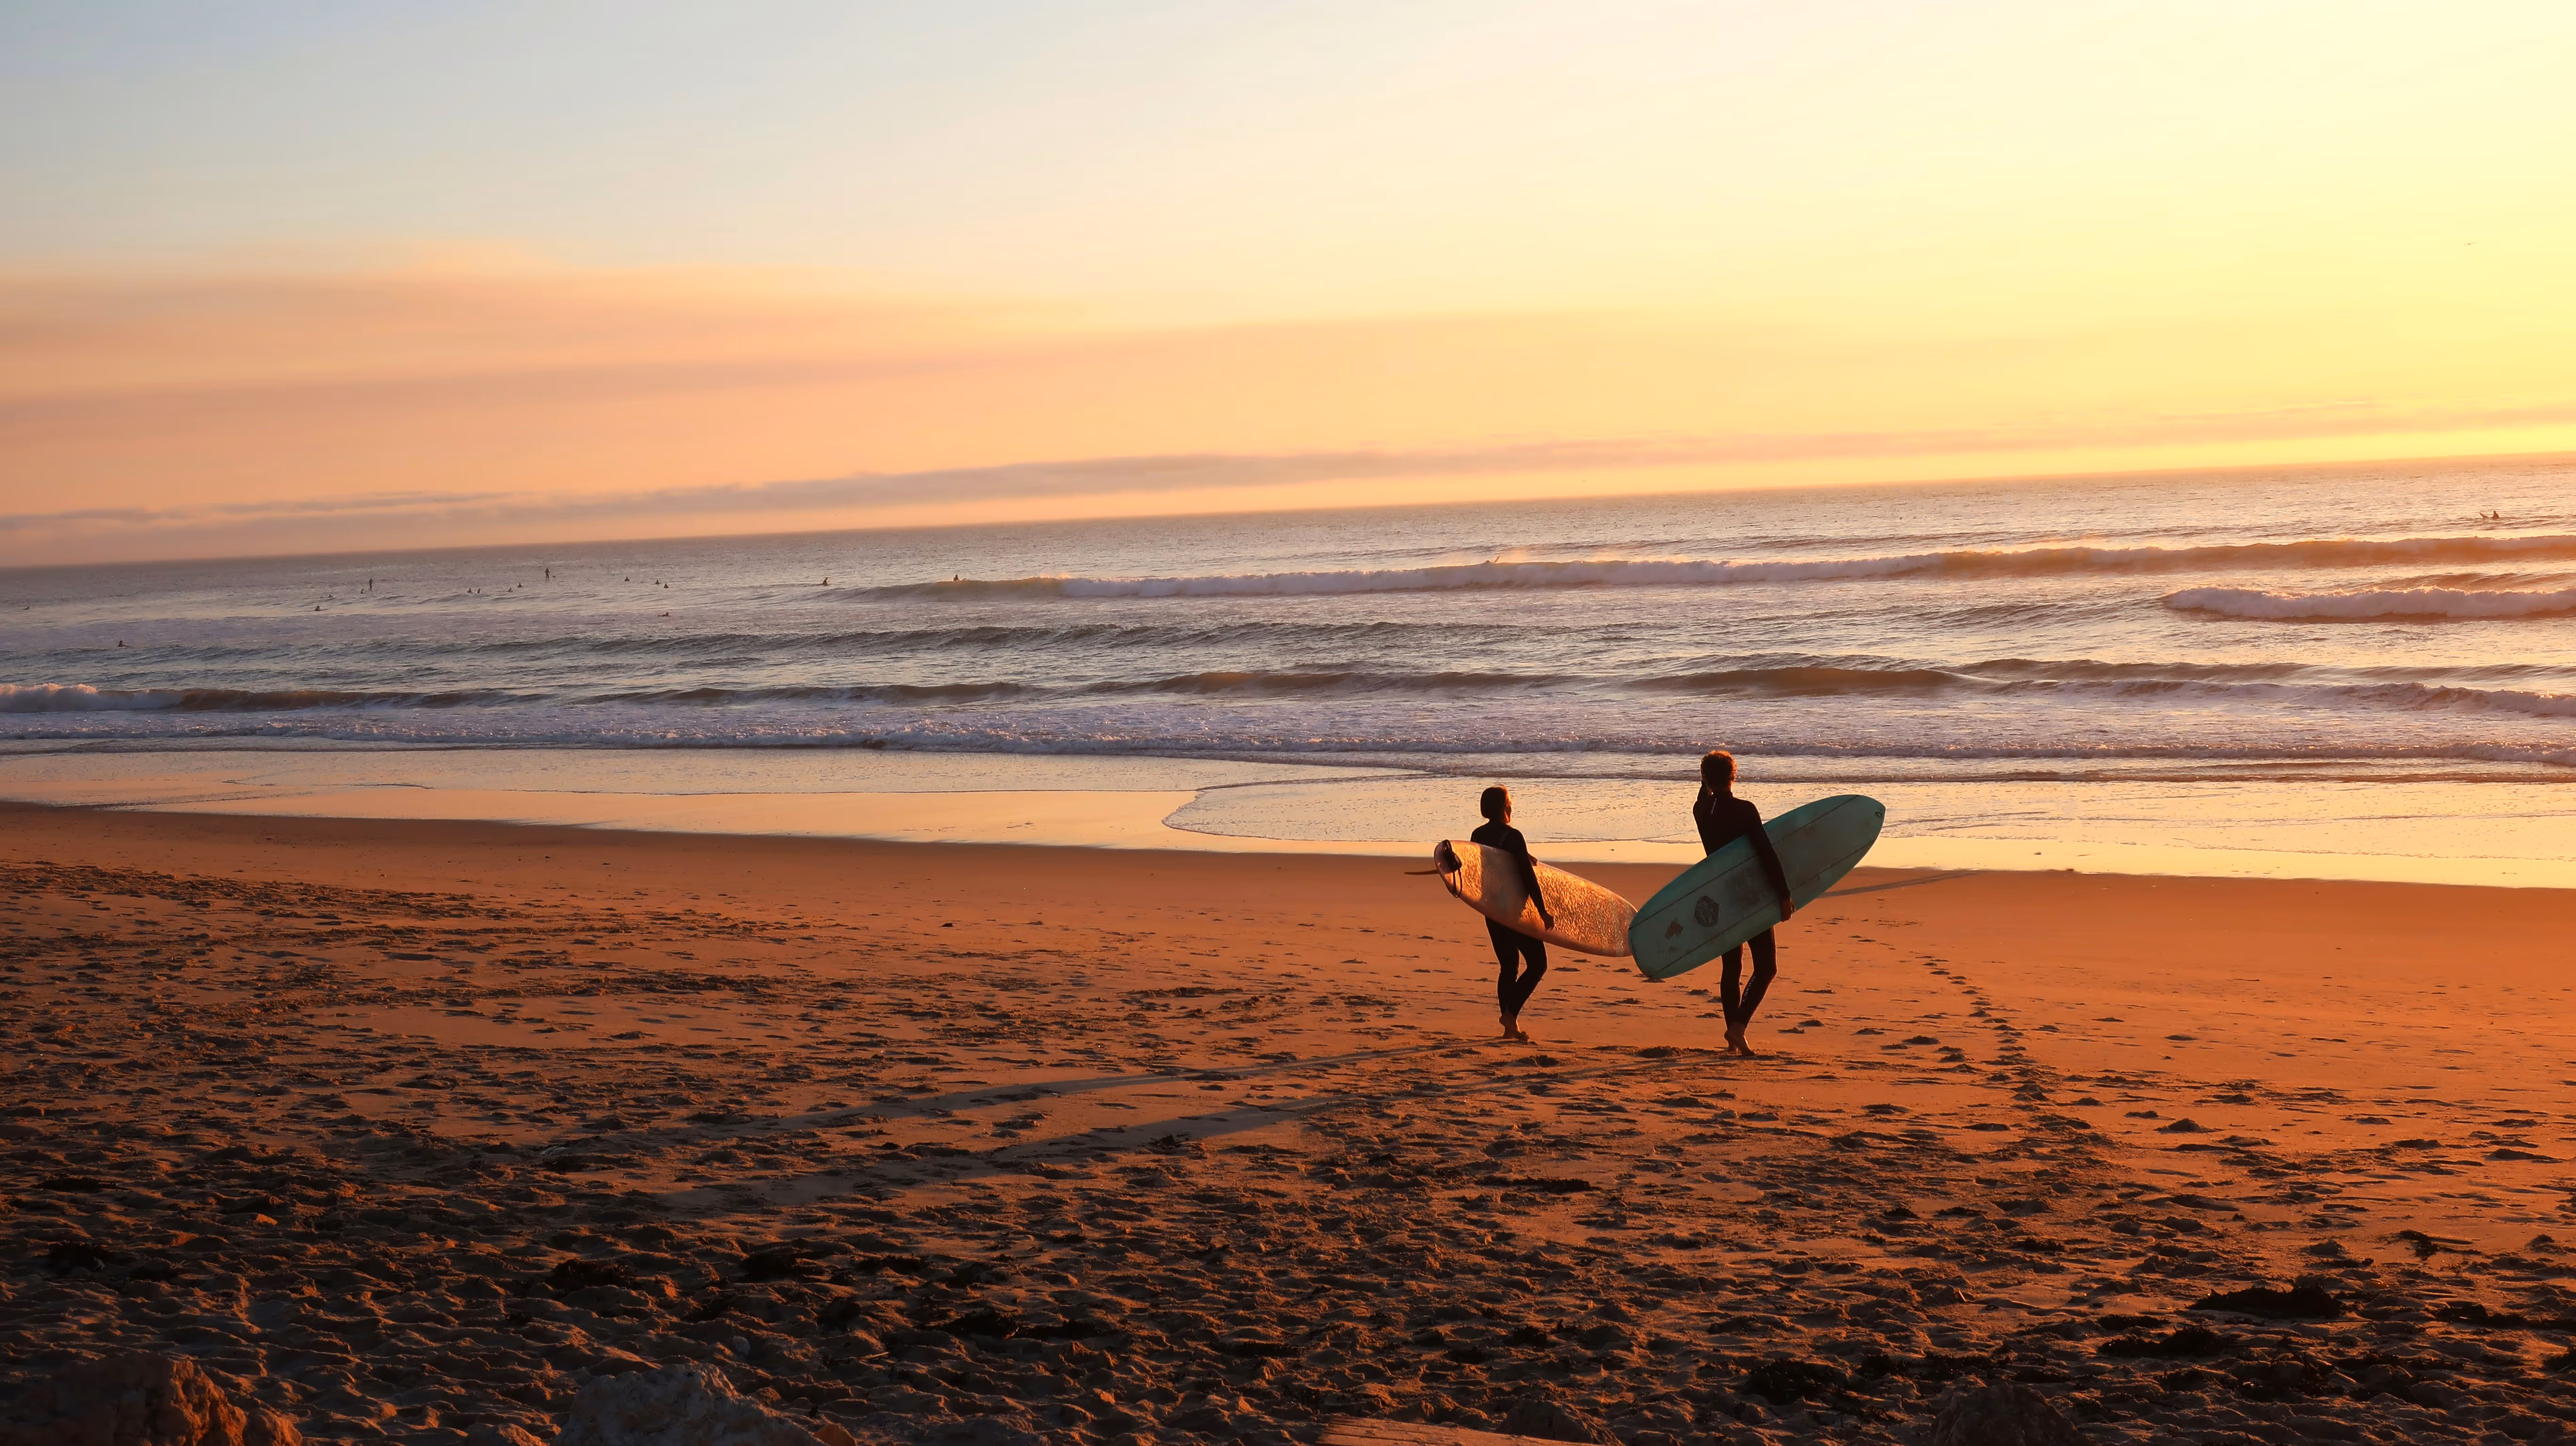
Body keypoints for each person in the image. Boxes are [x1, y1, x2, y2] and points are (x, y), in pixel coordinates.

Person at [1693, 750, 1796, 1057]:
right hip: (1750, 895)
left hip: (1720, 896)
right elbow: (1766, 853)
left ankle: (1732, 1038)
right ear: (1733, 775)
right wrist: (1784, 894)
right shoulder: (1745, 810)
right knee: (1766, 968)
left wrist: (1705, 782)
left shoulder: (1701, 810)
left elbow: (1704, 796)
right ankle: (1738, 1027)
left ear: (1706, 777)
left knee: (1731, 967)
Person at [1471, 785, 1554, 1043]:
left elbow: (1488, 864)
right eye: (1509, 800)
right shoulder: (1514, 836)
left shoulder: (1477, 834)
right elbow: (1528, 878)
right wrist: (1543, 911)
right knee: (1538, 964)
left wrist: (1521, 854)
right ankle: (1511, 1014)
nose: (1512, 804)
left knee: (1508, 967)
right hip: (1515, 910)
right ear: (1503, 807)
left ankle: (1510, 1027)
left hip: (1492, 909)